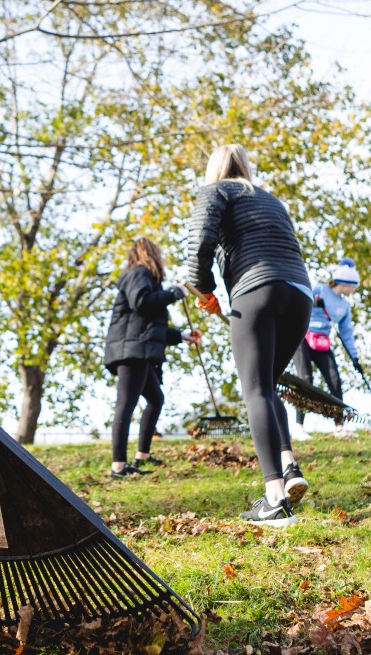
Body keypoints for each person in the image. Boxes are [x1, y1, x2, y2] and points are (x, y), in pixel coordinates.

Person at [187, 144, 312, 526]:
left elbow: (200, 243)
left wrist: (203, 288)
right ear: (246, 166)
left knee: (255, 389)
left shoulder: (215, 191)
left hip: (256, 291)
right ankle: (290, 468)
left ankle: (274, 500)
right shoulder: (270, 198)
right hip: (300, 293)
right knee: (268, 385)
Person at [103, 237, 201, 478]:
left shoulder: (145, 279)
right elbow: (142, 303)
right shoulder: (138, 274)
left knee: (156, 399)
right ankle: (118, 466)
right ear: (150, 255)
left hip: (140, 348)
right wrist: (174, 293)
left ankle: (142, 455)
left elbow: (152, 327)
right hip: (132, 351)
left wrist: (182, 336)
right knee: (125, 406)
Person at [291, 258, 362, 426]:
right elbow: (299, 301)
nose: (353, 290)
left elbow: (346, 333)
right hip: (303, 338)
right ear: (345, 283)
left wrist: (355, 358)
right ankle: (299, 426)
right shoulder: (320, 289)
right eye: (353, 286)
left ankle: (339, 425)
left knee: (335, 380)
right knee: (306, 380)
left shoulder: (344, 306)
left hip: (322, 343)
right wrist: (311, 303)